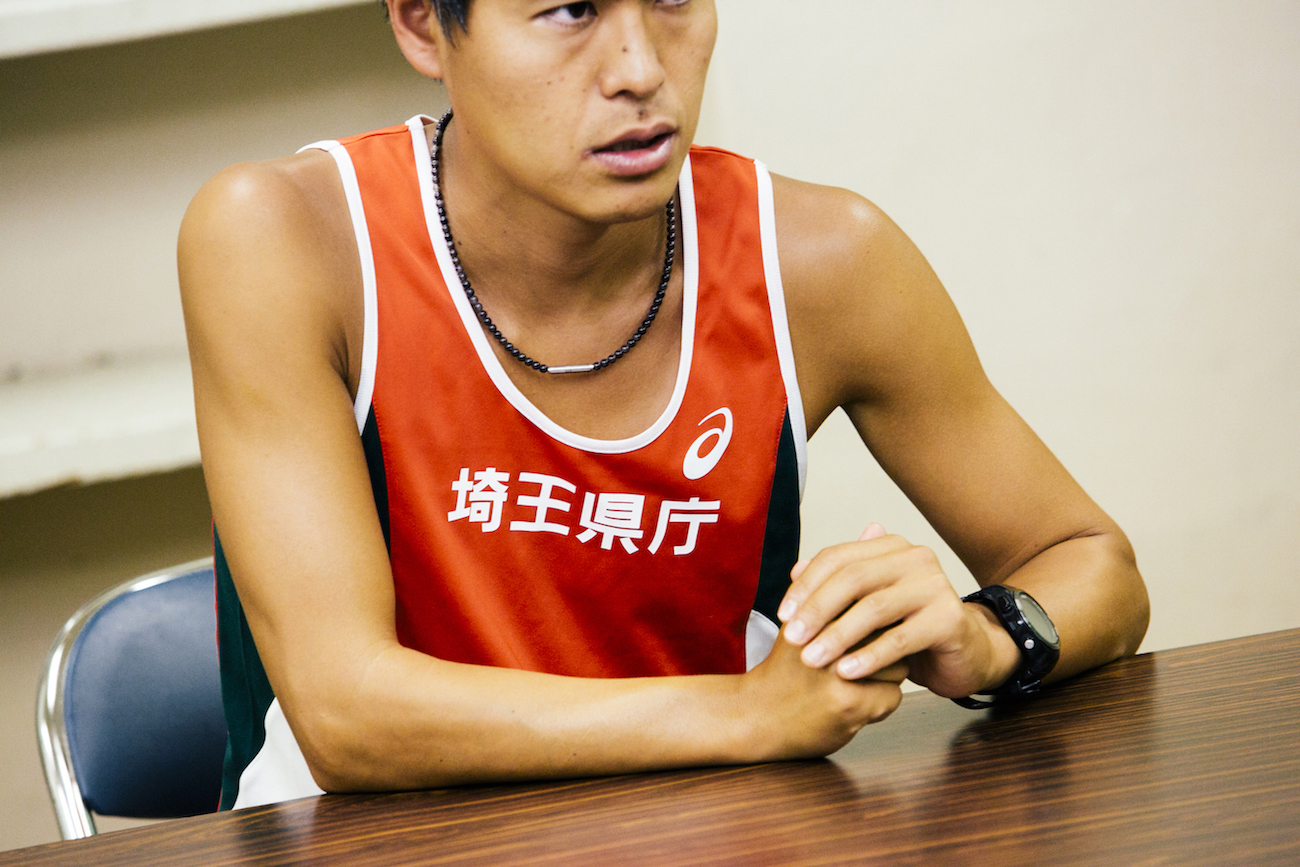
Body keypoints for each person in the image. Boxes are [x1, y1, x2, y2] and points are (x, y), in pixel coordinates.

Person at [178, 0, 1149, 810]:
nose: (641, 69)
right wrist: (752, 713)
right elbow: (348, 714)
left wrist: (986, 637)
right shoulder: (282, 239)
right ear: (424, 26)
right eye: (571, 10)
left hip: (709, 825)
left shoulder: (822, 261)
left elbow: (1091, 562)